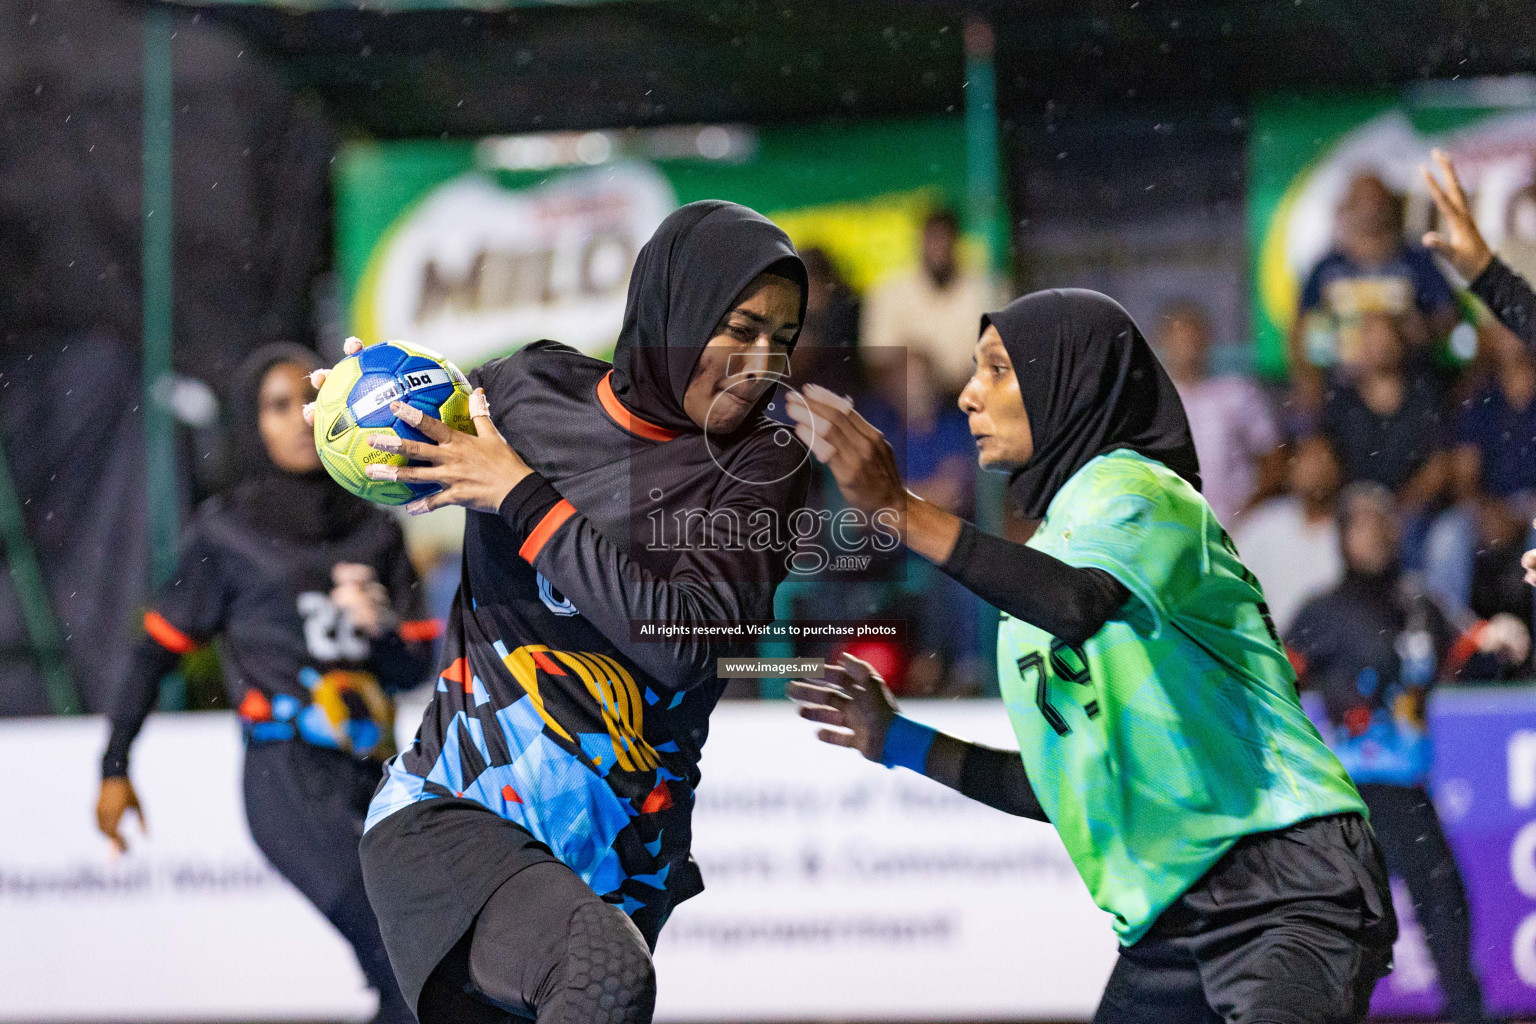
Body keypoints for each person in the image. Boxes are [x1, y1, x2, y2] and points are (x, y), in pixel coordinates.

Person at [784, 288, 1396, 1024]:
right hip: (1168, 927)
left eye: (999, 370)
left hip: (1284, 887)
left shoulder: (1142, 490)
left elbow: (1078, 601)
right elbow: (1067, 789)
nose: (971, 396)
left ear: (1066, 382)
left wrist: (901, 511)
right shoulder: (1040, 575)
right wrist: (896, 739)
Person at [317, 202, 812, 1024]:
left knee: (600, 966)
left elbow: (687, 646)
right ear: (672, 308)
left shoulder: (764, 463)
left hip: (621, 862)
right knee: (603, 974)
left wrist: (523, 497)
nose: (763, 362)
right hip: (453, 813)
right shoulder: (523, 390)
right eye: (741, 328)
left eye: (785, 340)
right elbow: (406, 431)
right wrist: (346, 412)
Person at [95, 344, 432, 1024]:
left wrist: (384, 627)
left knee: (431, 977)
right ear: (252, 423)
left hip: (375, 778)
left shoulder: (376, 526)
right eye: (278, 407)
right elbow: (152, 653)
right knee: (409, 970)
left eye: (312, 401)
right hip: (287, 780)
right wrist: (114, 765)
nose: (302, 420)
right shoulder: (228, 530)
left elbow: (414, 669)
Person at [1289, 483, 1521, 1024]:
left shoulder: (1419, 601)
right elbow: (1275, 677)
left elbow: (1472, 648)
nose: (1373, 533)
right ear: (1342, 534)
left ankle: (1461, 1008)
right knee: (1366, 915)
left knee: (1439, 901)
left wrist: (1503, 636)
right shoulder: (1323, 611)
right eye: (1361, 523)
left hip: (1408, 786)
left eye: (1382, 521)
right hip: (1349, 794)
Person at [1290, 170, 1459, 407]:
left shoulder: (1416, 262)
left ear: (1391, 206)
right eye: (1362, 201)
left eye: (1378, 201)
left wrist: (1421, 330)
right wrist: (1307, 378)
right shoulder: (1328, 267)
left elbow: (1448, 316)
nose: (1371, 209)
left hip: (1410, 384)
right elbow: (1299, 327)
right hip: (1342, 388)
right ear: (1347, 208)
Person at [1319, 310, 1450, 565]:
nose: (1378, 345)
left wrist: (1395, 508)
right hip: (1353, 509)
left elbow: (1439, 467)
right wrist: (1355, 505)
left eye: (1385, 335)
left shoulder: (1425, 396)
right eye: (1370, 336)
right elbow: (1328, 458)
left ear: (1400, 341)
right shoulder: (1341, 400)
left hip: (1410, 512)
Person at [1155, 300, 1283, 525]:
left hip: (1236, 527)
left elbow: (1273, 458)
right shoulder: (1152, 401)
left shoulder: (1237, 392)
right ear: (1164, 342)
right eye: (1179, 338)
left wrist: (1250, 511)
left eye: (1193, 337)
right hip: (1173, 527)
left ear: (1206, 340)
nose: (1187, 346)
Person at [860, 206, 1001, 397]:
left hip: (971, 399)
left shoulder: (984, 291)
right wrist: (916, 366)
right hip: (904, 405)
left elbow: (997, 361)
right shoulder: (889, 291)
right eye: (933, 239)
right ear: (921, 242)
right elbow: (875, 362)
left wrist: (946, 384)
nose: (938, 248)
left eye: (944, 239)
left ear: (956, 243)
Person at [1230, 433, 1346, 635]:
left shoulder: (1349, 531)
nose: (1313, 470)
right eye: (1305, 458)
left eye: (1321, 460)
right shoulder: (1268, 520)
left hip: (1326, 653)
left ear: (1338, 469)